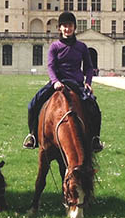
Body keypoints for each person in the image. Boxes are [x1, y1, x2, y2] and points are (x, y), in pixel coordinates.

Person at [22, 11, 102, 152]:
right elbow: (51, 66)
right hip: (58, 84)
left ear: (74, 27)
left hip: (76, 84)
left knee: (94, 108)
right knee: (32, 105)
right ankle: (33, 135)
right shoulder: (55, 46)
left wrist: (88, 82)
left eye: (70, 25)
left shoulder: (81, 47)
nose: (67, 28)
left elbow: (89, 67)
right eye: (64, 26)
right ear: (59, 28)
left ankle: (95, 139)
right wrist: (55, 82)